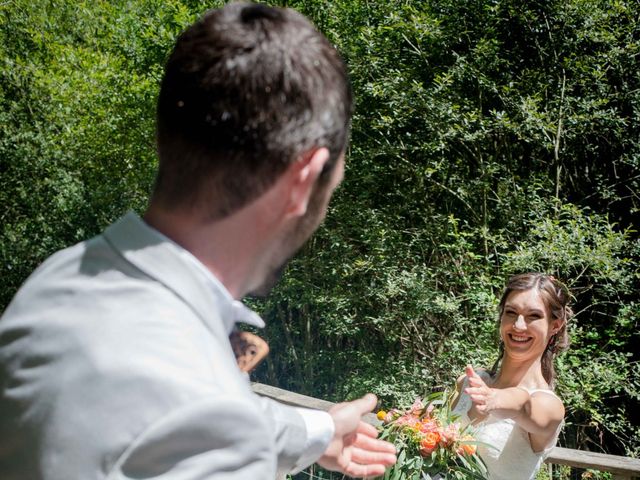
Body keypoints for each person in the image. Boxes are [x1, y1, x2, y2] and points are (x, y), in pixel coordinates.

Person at [0, 3, 396, 479]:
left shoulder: (58, 277)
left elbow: (189, 406)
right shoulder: (211, 424)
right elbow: (206, 413)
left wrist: (319, 431)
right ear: (303, 179)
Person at [451, 273, 571, 480]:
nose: (519, 325)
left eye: (534, 316)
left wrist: (495, 399)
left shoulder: (549, 406)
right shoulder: (469, 382)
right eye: (511, 312)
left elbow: (523, 404)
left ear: (555, 325)